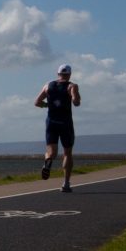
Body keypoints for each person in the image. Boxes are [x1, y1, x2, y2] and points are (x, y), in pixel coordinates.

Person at [35, 63, 81, 192]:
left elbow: (37, 102)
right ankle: (66, 184)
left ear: (58, 74)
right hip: (65, 123)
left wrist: (47, 105)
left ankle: (48, 161)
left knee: (51, 152)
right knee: (67, 153)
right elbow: (76, 102)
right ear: (69, 74)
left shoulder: (48, 85)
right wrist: (76, 97)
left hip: (51, 122)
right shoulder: (72, 86)